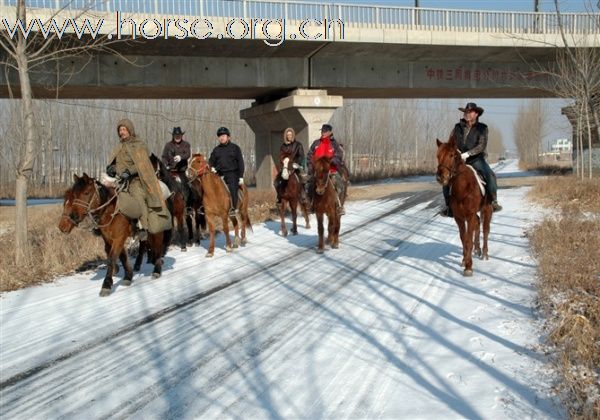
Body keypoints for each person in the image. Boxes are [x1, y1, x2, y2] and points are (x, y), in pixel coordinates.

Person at [106, 119, 168, 241]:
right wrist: (111, 168)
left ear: (130, 130)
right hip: (120, 181)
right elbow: (115, 163)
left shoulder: (139, 144)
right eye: (120, 130)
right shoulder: (119, 147)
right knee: (105, 196)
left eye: (124, 129)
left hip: (136, 180)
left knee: (138, 197)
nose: (121, 132)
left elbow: (142, 163)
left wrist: (129, 171)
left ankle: (143, 228)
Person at [440, 102, 503, 217]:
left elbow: (481, 146)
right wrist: (454, 153)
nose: (467, 114)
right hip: (458, 160)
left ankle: (493, 201)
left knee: (490, 175)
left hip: (476, 159)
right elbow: (450, 143)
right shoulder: (457, 127)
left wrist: (468, 154)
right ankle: (449, 206)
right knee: (446, 178)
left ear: (476, 114)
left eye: (470, 112)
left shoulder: (482, 128)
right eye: (465, 112)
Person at [306, 123, 349, 215]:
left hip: (331, 170)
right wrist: (310, 167)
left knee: (340, 184)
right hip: (317, 171)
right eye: (322, 131)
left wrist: (332, 161)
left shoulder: (334, 144)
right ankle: (311, 205)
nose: (323, 133)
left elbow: (339, 156)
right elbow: (309, 155)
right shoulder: (316, 143)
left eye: (325, 131)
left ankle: (339, 206)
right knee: (308, 184)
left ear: (330, 132)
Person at [208, 126, 245, 217]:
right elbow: (210, 161)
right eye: (220, 136)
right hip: (219, 174)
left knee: (232, 187)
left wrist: (240, 176)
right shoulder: (216, 150)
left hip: (232, 173)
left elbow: (241, 162)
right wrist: (212, 167)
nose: (221, 137)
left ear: (228, 137)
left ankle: (234, 207)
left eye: (223, 135)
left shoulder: (235, 148)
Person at [274, 127, 309, 205]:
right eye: (287, 135)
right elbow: (280, 156)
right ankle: (279, 197)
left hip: (295, 166)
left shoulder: (298, 145)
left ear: (293, 135)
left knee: (303, 178)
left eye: (290, 134)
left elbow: (301, 156)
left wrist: (296, 163)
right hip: (286, 167)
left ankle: (304, 196)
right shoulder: (283, 146)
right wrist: (283, 163)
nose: (289, 136)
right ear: (285, 136)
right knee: (276, 182)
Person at [161, 126, 192, 212]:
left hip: (181, 171)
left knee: (187, 187)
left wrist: (181, 157)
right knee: (162, 186)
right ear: (173, 136)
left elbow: (188, 154)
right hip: (170, 171)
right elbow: (164, 157)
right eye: (176, 135)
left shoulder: (186, 144)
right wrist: (166, 164)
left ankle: (188, 207)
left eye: (179, 135)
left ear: (181, 135)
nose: (177, 137)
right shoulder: (168, 145)